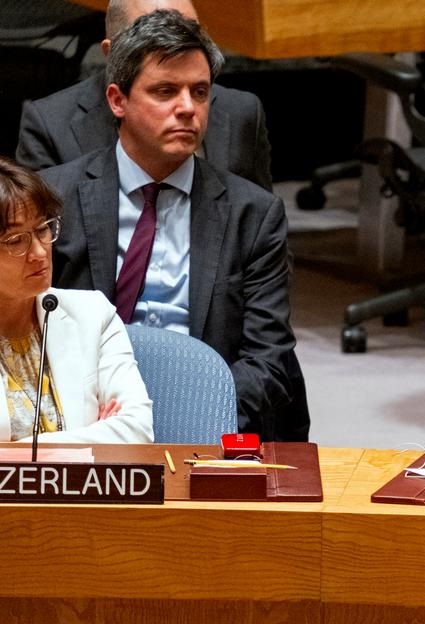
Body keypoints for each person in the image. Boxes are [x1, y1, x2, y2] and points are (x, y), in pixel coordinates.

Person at [40, 9, 306, 442]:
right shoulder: (54, 199)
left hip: (209, 424)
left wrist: (198, 419)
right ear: (117, 100)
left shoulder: (253, 214)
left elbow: (268, 358)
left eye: (199, 92)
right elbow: (22, 332)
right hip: (84, 426)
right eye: (165, 91)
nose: (187, 108)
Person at [16, 0, 273, 191]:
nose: (177, 46)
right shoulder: (50, 124)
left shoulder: (241, 111)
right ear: (112, 53)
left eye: (190, 34)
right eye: (152, 37)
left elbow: (262, 226)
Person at [0, 157, 152, 443]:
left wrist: (13, 453)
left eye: (42, 229)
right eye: (16, 240)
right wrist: (91, 437)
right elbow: (113, 442)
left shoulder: (93, 313)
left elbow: (137, 431)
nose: (39, 253)